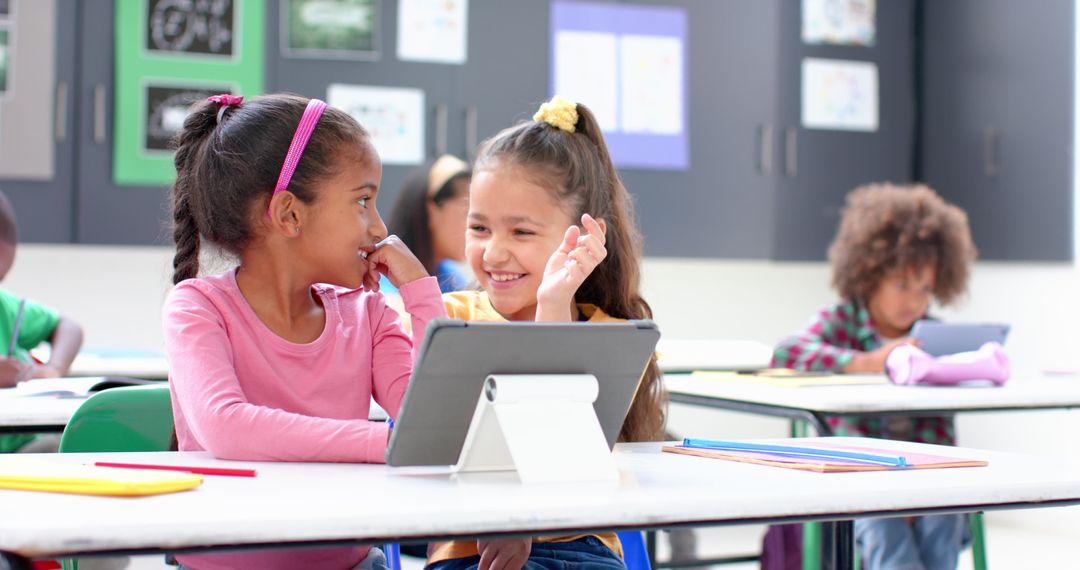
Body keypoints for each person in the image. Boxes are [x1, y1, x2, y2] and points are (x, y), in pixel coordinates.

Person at [163, 93, 445, 570]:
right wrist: (390, 444)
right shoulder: (198, 307)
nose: (380, 229)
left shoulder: (369, 315)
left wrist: (420, 294)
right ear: (290, 213)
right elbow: (227, 427)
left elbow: (436, 424)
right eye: (362, 202)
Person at [428, 95, 666, 570]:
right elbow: (435, 453)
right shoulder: (448, 320)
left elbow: (560, 451)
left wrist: (554, 304)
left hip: (584, 548)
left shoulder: (612, 336)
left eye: (521, 232)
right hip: (473, 549)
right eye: (479, 227)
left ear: (582, 237)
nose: (493, 253)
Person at [770, 183, 977, 570]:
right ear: (869, 274)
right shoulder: (842, 320)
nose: (913, 301)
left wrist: (923, 492)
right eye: (901, 285)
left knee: (943, 518)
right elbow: (786, 352)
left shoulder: (931, 335)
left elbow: (942, 430)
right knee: (884, 525)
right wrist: (870, 362)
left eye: (925, 289)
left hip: (923, 477)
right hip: (859, 475)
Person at [0, 190, 84, 454]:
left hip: (18, 449)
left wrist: (53, 369)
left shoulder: (5, 307)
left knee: (68, 446)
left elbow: (68, 328)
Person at [384, 154, 473, 293]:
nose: (474, 228)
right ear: (432, 210)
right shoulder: (382, 283)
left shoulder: (450, 276)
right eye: (467, 212)